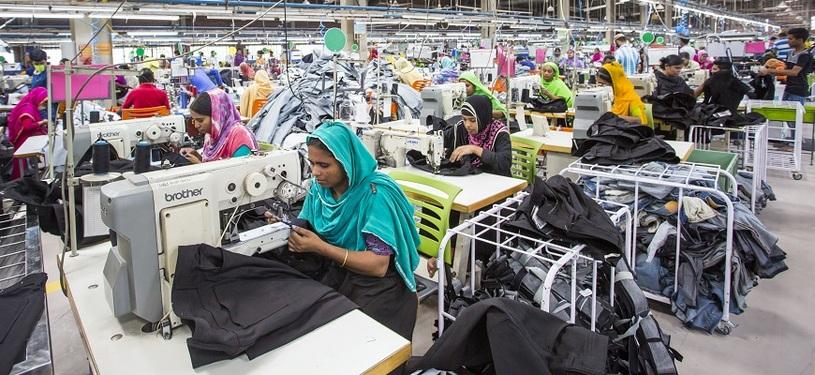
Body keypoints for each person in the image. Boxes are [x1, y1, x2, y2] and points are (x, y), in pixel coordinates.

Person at [265, 121, 420, 341]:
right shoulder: (321, 190)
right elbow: (307, 221)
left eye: (324, 165)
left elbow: (378, 266)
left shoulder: (375, 194)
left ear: (346, 162)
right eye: (312, 163)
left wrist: (321, 247)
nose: (316, 172)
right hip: (341, 276)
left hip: (381, 292)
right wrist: (284, 225)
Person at [182, 89, 257, 164]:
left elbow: (240, 170)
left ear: (217, 117)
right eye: (194, 120)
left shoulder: (240, 136)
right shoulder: (211, 136)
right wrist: (198, 156)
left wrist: (199, 165)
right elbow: (213, 164)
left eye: (200, 120)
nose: (196, 125)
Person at [448, 95, 512, 176]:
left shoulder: (499, 132)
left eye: (473, 120)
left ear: (482, 118)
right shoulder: (461, 128)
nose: (467, 125)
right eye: (464, 119)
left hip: (498, 182)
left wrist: (475, 149)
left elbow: (505, 162)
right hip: (473, 180)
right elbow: (442, 137)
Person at [761, 28, 812, 106]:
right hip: (788, 88)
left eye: (790, 39)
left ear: (800, 40)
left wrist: (770, 71)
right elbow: (786, 70)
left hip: (798, 91)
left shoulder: (805, 55)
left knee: (795, 115)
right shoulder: (790, 53)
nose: (788, 41)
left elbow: (794, 72)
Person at [7, 88, 48, 179]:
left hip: (28, 138)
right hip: (24, 141)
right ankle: (20, 182)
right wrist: (42, 122)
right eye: (44, 102)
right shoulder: (27, 109)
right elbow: (27, 127)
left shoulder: (31, 106)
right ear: (38, 99)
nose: (45, 105)